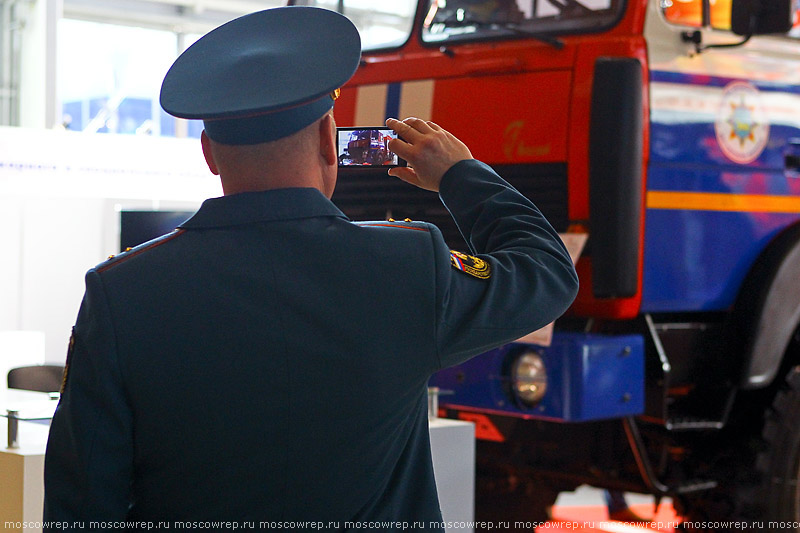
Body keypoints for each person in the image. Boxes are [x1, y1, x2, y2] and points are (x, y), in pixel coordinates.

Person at [43, 5, 578, 529]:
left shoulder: (122, 291)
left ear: (208, 153)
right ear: (329, 139)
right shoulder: (408, 265)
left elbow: (83, 499)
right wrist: (460, 175)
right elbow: (548, 272)